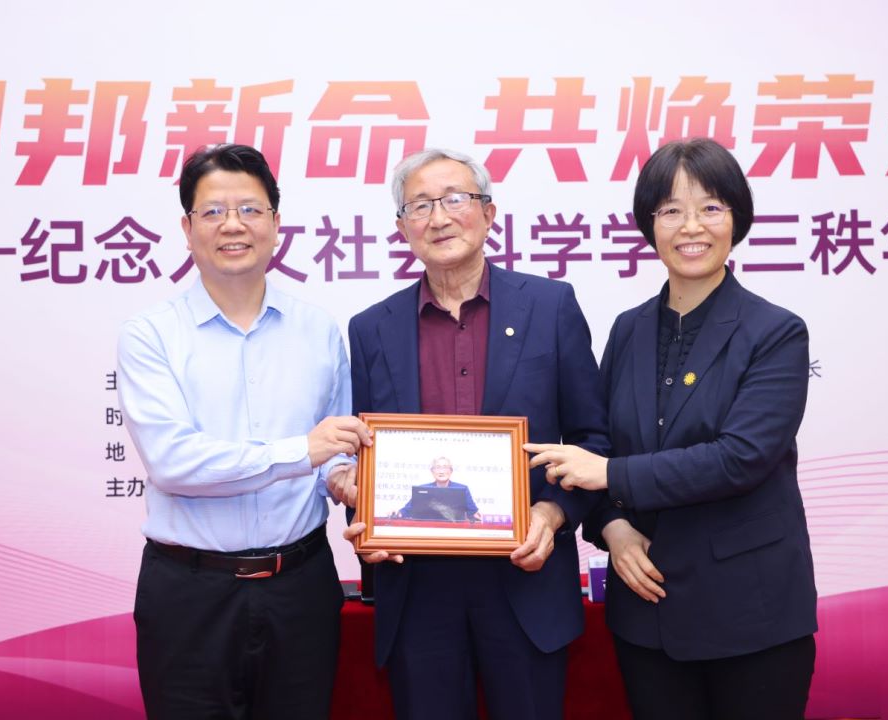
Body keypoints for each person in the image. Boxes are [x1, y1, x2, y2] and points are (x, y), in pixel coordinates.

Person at [524, 137, 818, 720]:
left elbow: (740, 458)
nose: (692, 226)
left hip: (752, 614)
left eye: (710, 207)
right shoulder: (628, 330)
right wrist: (612, 530)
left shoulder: (776, 332)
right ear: (650, 225)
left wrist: (609, 474)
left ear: (736, 218)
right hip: (647, 612)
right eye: (671, 210)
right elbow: (597, 444)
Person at [334, 148, 609, 720]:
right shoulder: (371, 329)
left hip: (526, 580)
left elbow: (593, 439)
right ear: (402, 228)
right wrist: (364, 513)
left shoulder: (550, 306)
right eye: (420, 205)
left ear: (488, 213)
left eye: (455, 199)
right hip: (416, 591)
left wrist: (552, 514)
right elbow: (366, 455)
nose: (439, 217)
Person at [116, 143, 371, 720]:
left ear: (276, 225)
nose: (233, 225)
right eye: (213, 211)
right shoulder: (150, 335)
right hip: (190, 595)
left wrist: (345, 480)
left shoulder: (318, 330)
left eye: (251, 210)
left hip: (301, 587)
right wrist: (303, 452)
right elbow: (173, 463)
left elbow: (334, 450)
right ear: (187, 229)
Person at [392, 456, 481, 521]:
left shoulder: (462, 489)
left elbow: (473, 513)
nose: (441, 471)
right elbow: (407, 510)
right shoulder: (422, 489)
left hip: (454, 531)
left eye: (445, 467)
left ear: (451, 471)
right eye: (437, 467)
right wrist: (398, 513)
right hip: (427, 531)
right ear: (432, 472)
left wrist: (477, 516)